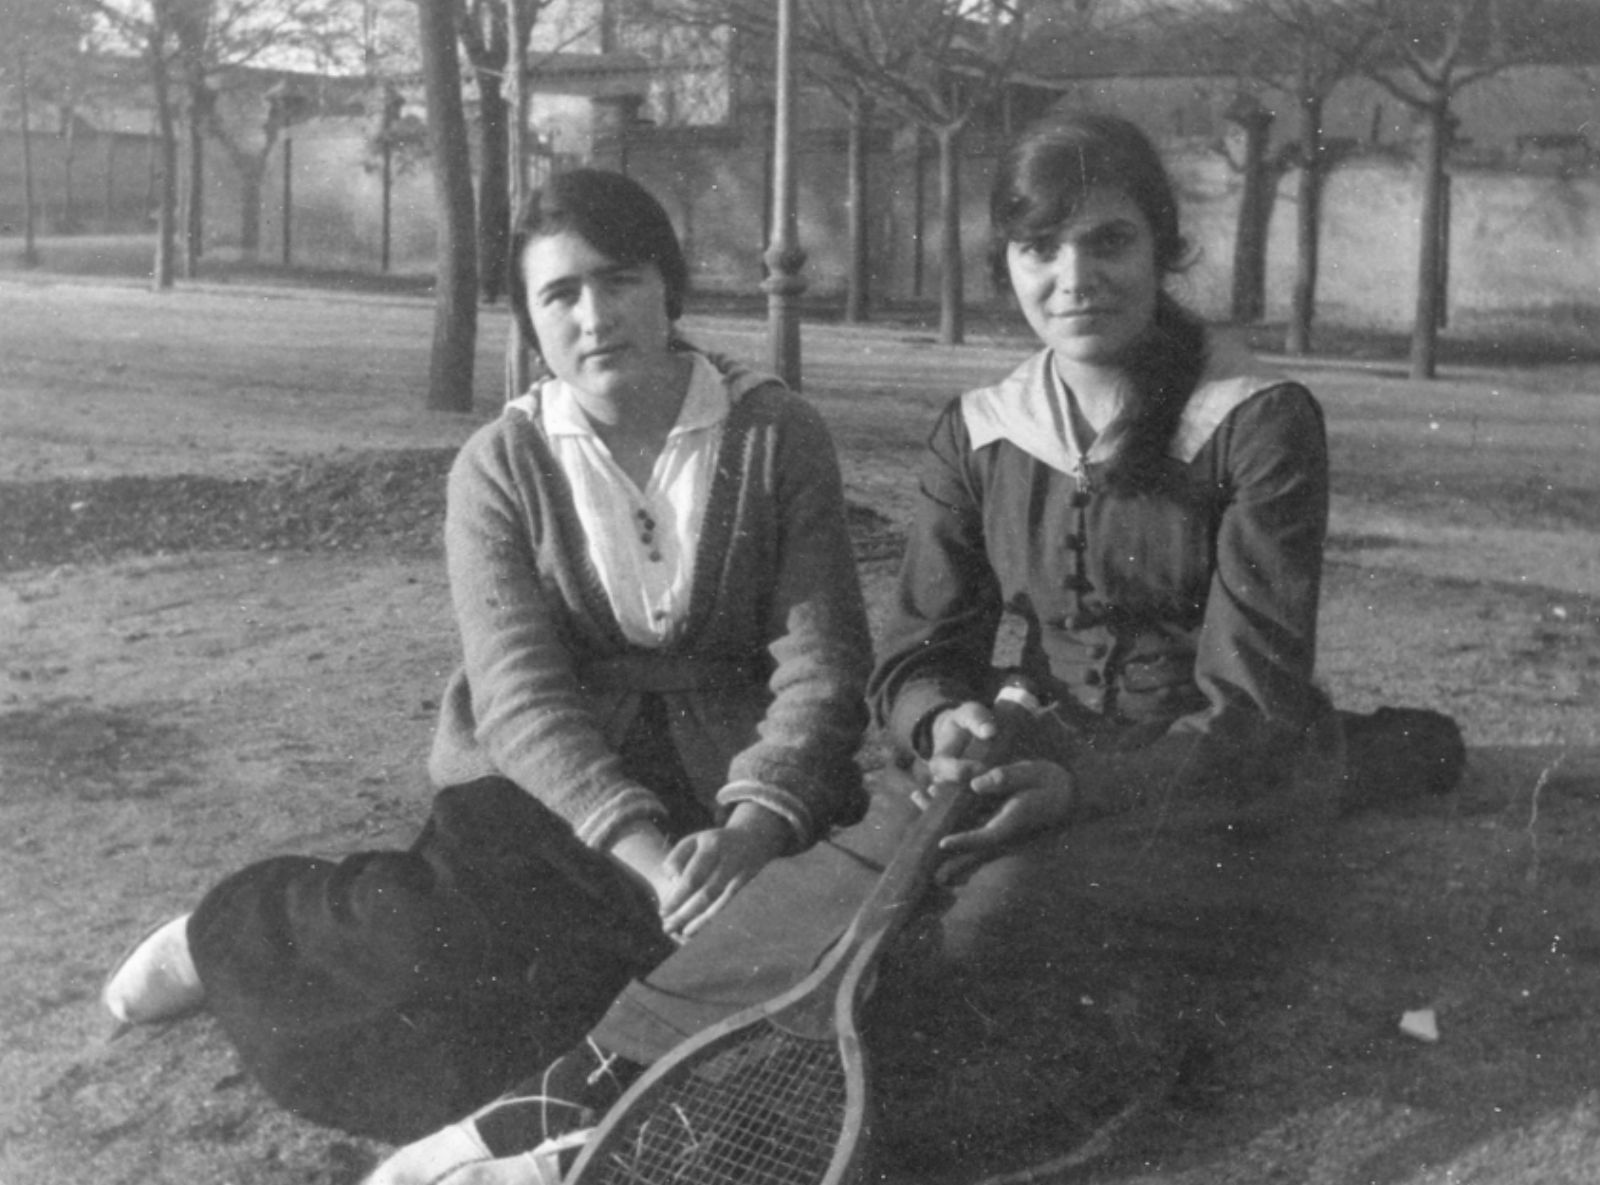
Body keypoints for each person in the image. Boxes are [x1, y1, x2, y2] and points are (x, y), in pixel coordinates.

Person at [359, 110, 1371, 1185]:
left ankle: (681, 1152)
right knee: (801, 897)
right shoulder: (983, 427)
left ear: (1164, 251)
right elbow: (917, 655)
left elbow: (1250, 704)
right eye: (1039, 249)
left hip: (1196, 779)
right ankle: (557, 1107)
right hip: (1023, 751)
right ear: (1006, 266)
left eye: (1108, 242)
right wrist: (943, 720)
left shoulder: (1256, 422)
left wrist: (1074, 789)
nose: (1073, 278)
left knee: (974, 932)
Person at [99, 167, 875, 1144]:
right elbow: (520, 701)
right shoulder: (499, 467)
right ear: (530, 321)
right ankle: (237, 930)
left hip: (740, 787)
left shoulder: (775, 435)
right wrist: (653, 865)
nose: (595, 316)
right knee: (441, 965)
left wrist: (752, 830)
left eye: (619, 279)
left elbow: (821, 662)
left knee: (783, 978)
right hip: (552, 789)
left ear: (666, 287)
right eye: (560, 294)